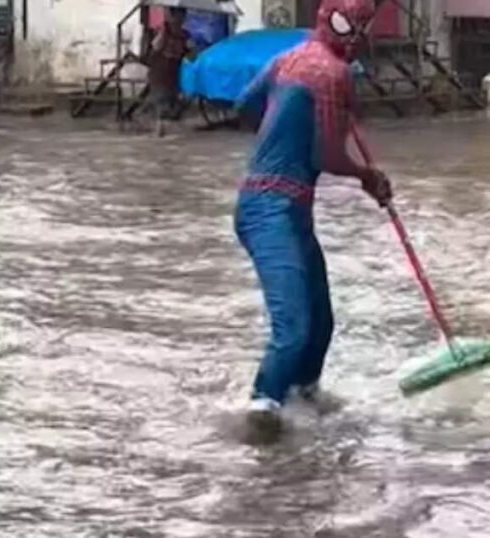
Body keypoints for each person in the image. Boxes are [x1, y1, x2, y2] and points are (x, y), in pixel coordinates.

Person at [233, 0, 393, 425]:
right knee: (296, 328)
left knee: (321, 320)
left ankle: (304, 401)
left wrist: (282, 128)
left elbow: (245, 106)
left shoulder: (287, 58)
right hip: (268, 210)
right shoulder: (332, 73)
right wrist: (366, 176)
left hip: (285, 206)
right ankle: (263, 408)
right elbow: (325, 154)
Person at [148, 8, 194, 135]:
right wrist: (162, 36)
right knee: (161, 96)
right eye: (177, 16)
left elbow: (190, 53)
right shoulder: (164, 30)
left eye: (182, 16)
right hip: (161, 68)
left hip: (175, 69)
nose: (179, 20)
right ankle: (159, 127)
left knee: (173, 97)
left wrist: (191, 49)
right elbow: (155, 47)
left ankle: (168, 126)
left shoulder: (185, 35)